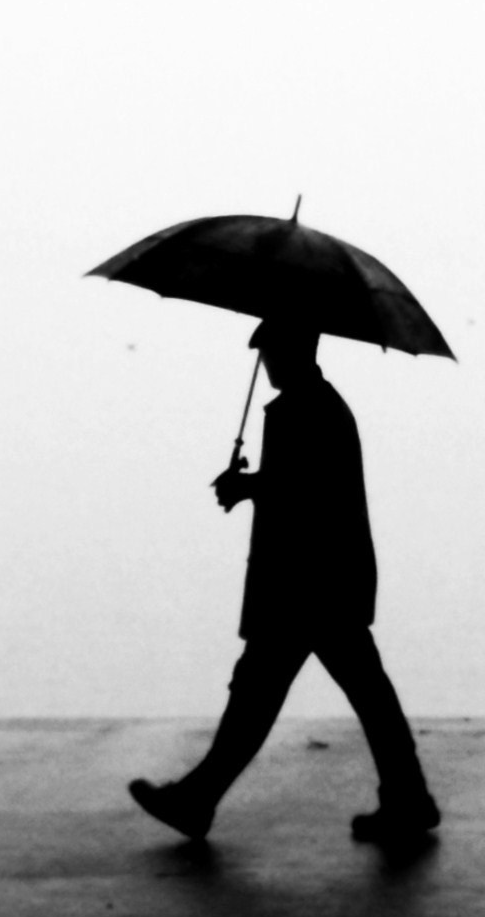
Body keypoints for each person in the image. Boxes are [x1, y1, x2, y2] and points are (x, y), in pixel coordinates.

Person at [131, 316, 441, 847]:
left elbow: (303, 495)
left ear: (292, 350)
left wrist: (249, 486)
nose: (266, 361)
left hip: (304, 585)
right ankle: (408, 799)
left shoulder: (306, 410)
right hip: (322, 583)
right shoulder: (317, 405)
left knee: (259, 694)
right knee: (355, 693)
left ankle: (197, 799)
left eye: (271, 350)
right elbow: (303, 487)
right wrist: (253, 486)